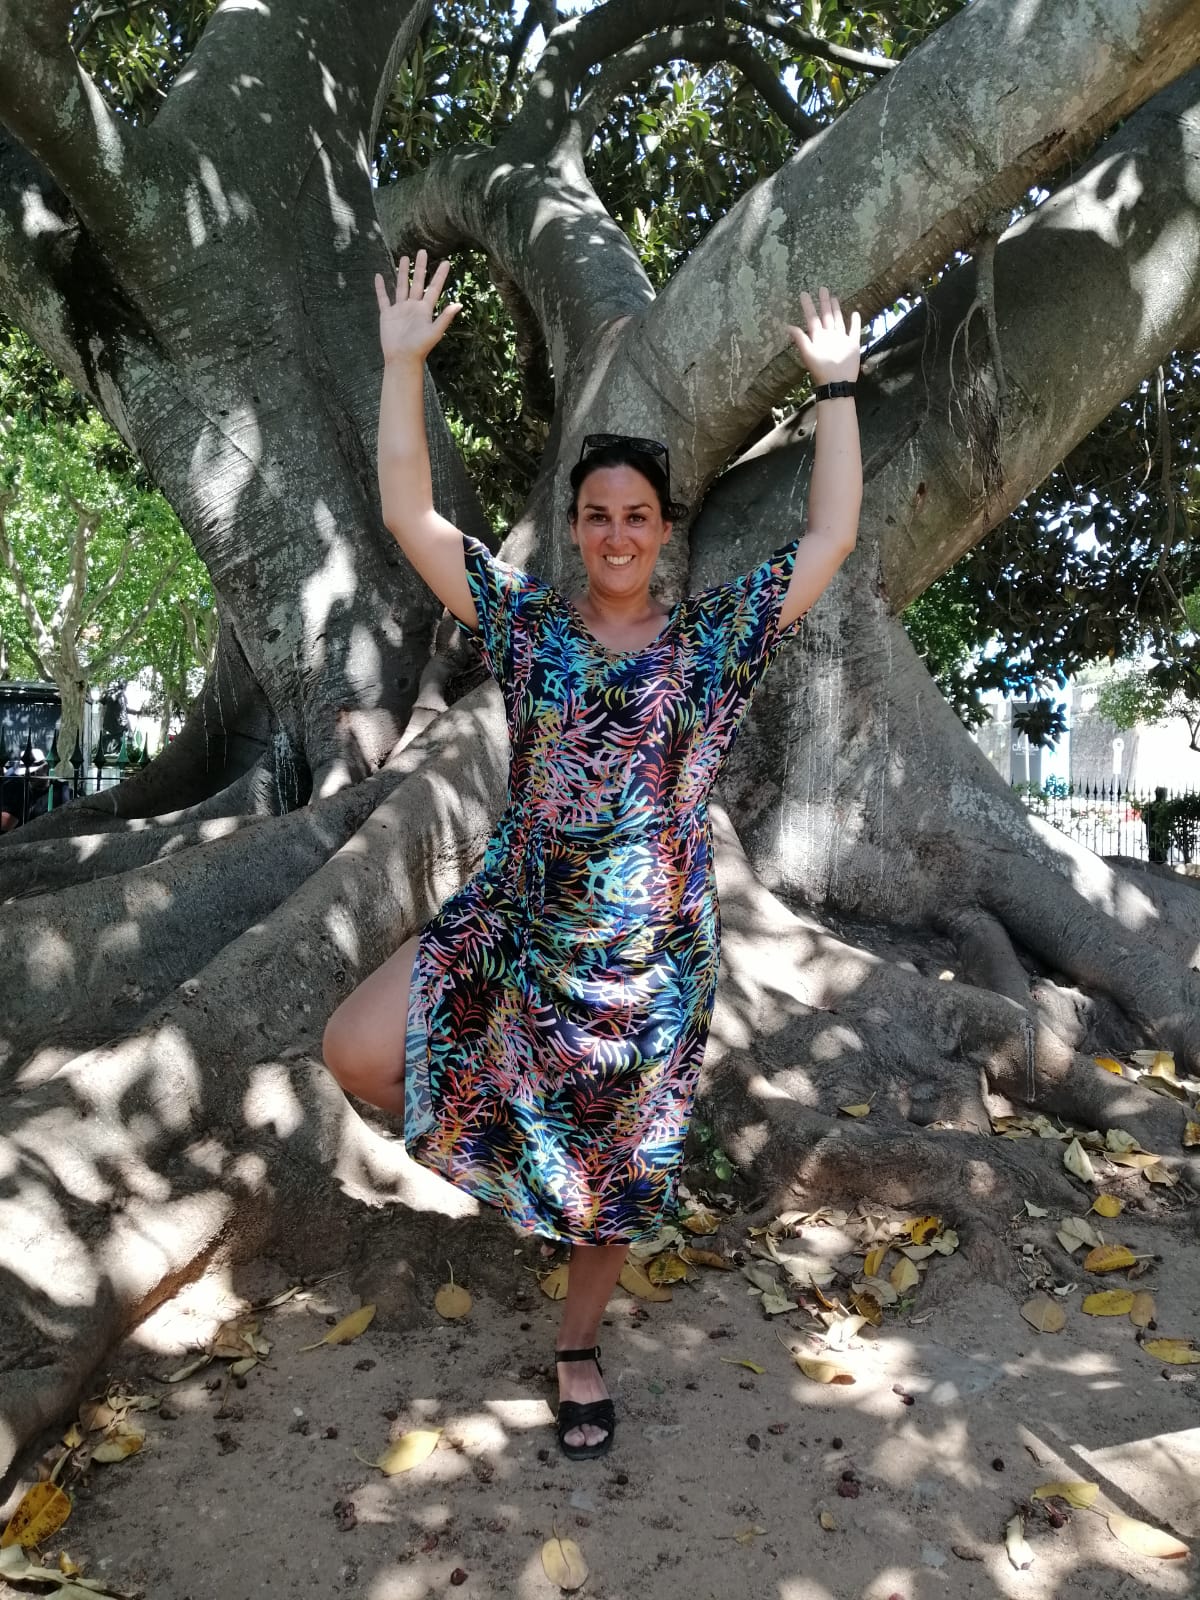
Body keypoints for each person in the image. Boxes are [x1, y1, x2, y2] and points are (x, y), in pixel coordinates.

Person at [323, 251, 862, 1460]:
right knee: (354, 1047)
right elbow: (411, 516)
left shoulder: (716, 639)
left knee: (614, 1172)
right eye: (598, 516)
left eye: (637, 517)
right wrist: (403, 364)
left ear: (664, 532)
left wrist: (836, 390)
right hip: (518, 917)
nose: (617, 534)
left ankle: (577, 1348)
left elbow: (832, 530)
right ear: (574, 528)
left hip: (650, 958)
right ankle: (519, 1167)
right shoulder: (527, 625)